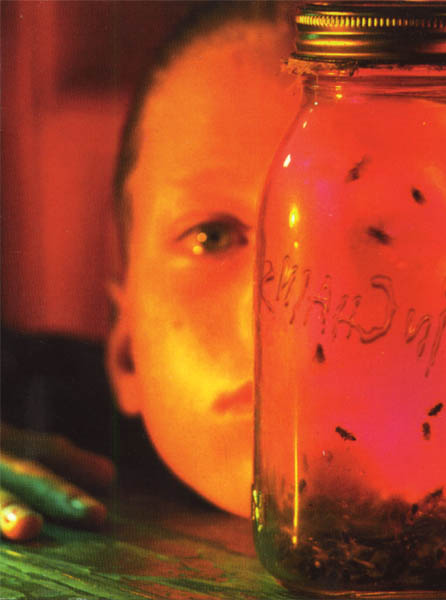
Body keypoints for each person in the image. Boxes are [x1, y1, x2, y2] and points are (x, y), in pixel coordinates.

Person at [1, 2, 299, 540]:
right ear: (127, 349)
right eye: (212, 237)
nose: (288, 312)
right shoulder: (29, 403)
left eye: (376, 235)